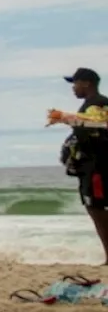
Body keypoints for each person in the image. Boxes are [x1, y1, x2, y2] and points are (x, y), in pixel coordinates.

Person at [61, 68, 108, 264]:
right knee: (95, 208)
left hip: (97, 167)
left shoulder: (97, 104)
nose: (73, 88)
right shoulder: (91, 105)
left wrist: (71, 121)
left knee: (96, 209)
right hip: (91, 167)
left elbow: (95, 129)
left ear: (86, 83)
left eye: (76, 83)